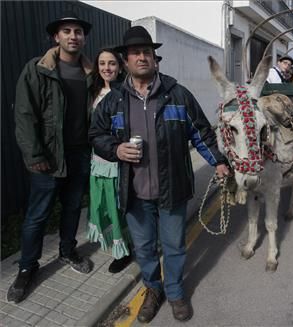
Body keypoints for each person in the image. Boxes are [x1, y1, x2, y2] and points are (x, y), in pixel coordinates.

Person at [88, 26, 230, 323]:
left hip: (172, 189)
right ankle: (153, 290)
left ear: (156, 59)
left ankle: (176, 291)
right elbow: (96, 134)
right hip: (134, 192)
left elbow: (202, 133)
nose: (142, 57)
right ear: (125, 61)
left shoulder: (177, 95)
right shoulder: (113, 101)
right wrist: (116, 150)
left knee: (174, 246)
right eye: (135, 53)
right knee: (144, 248)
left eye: (147, 53)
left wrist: (217, 161)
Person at [8, 12, 93, 304]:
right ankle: (26, 268)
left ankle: (67, 251)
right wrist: (34, 155)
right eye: (67, 31)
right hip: (47, 158)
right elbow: (24, 114)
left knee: (72, 209)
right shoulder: (37, 69)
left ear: (83, 37)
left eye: (78, 31)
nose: (73, 36)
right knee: (37, 216)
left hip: (80, 154)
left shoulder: (90, 71)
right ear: (56, 37)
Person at [86, 47, 132, 273]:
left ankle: (124, 251)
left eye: (112, 63)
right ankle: (115, 245)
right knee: (103, 206)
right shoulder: (92, 92)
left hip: (118, 162)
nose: (107, 68)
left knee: (118, 207)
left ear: (121, 66)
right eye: (102, 63)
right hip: (97, 161)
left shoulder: (126, 92)